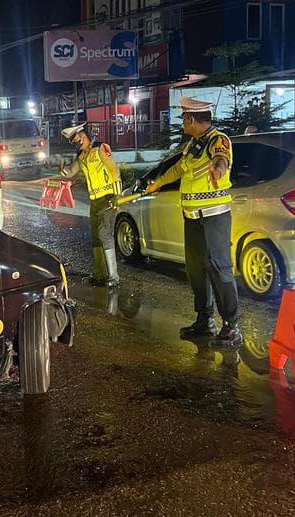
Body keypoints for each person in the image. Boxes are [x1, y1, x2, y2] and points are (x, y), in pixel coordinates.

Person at [145, 96, 242, 347]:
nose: (182, 124)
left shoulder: (217, 140)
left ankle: (231, 326)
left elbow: (222, 158)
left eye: (184, 119)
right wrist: (158, 183)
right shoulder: (193, 145)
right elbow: (179, 169)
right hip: (192, 219)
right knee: (197, 272)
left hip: (213, 219)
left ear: (191, 119)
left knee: (219, 271)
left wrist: (218, 170)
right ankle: (204, 321)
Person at [59, 122, 121, 287]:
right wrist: (63, 170)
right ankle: (99, 274)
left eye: (76, 139)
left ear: (83, 135)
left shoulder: (100, 148)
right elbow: (71, 172)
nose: (75, 143)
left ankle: (114, 277)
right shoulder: (82, 156)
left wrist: (117, 195)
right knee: (95, 236)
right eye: (73, 141)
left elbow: (114, 170)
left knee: (104, 234)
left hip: (107, 197)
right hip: (94, 200)